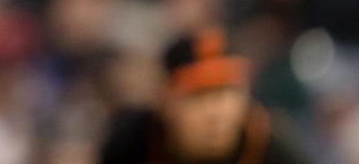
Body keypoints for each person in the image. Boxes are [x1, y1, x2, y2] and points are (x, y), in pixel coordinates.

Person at [100, 27, 310, 164]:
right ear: (165, 101)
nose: (216, 112)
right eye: (198, 95)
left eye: (227, 92)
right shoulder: (132, 141)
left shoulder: (270, 148)